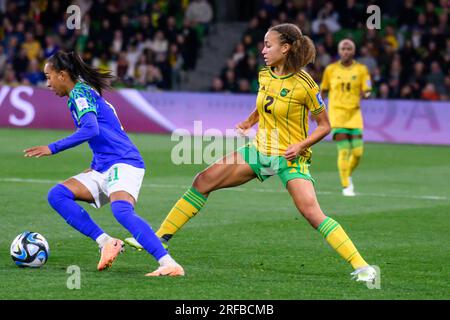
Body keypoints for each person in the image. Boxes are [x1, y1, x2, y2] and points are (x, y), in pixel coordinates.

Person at [126, 24, 376, 282]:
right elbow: (264, 105)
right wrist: (249, 122)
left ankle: (362, 267)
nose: (263, 50)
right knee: (203, 181)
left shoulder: (305, 84)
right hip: (259, 150)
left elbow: (325, 125)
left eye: (269, 45)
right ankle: (160, 239)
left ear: (286, 48)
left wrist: (301, 146)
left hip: (288, 157)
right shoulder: (265, 75)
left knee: (312, 214)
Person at [24, 51, 184, 277]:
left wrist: (52, 148)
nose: (47, 83)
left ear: (62, 75)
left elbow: (91, 129)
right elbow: (103, 134)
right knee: (57, 195)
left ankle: (168, 263)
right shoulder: (81, 92)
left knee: (121, 211)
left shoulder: (79, 94)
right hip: (103, 166)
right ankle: (106, 242)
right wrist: (95, 163)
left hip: (124, 162)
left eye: (49, 77)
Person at [320, 39, 372, 196]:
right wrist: (316, 110)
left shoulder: (361, 69)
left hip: (354, 114)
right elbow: (323, 91)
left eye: (349, 48)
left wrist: (367, 94)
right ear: (339, 51)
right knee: (344, 151)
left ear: (353, 51)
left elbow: (368, 89)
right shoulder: (330, 69)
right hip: (337, 114)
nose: (346, 51)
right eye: (343, 48)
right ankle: (346, 186)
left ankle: (347, 174)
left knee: (357, 153)